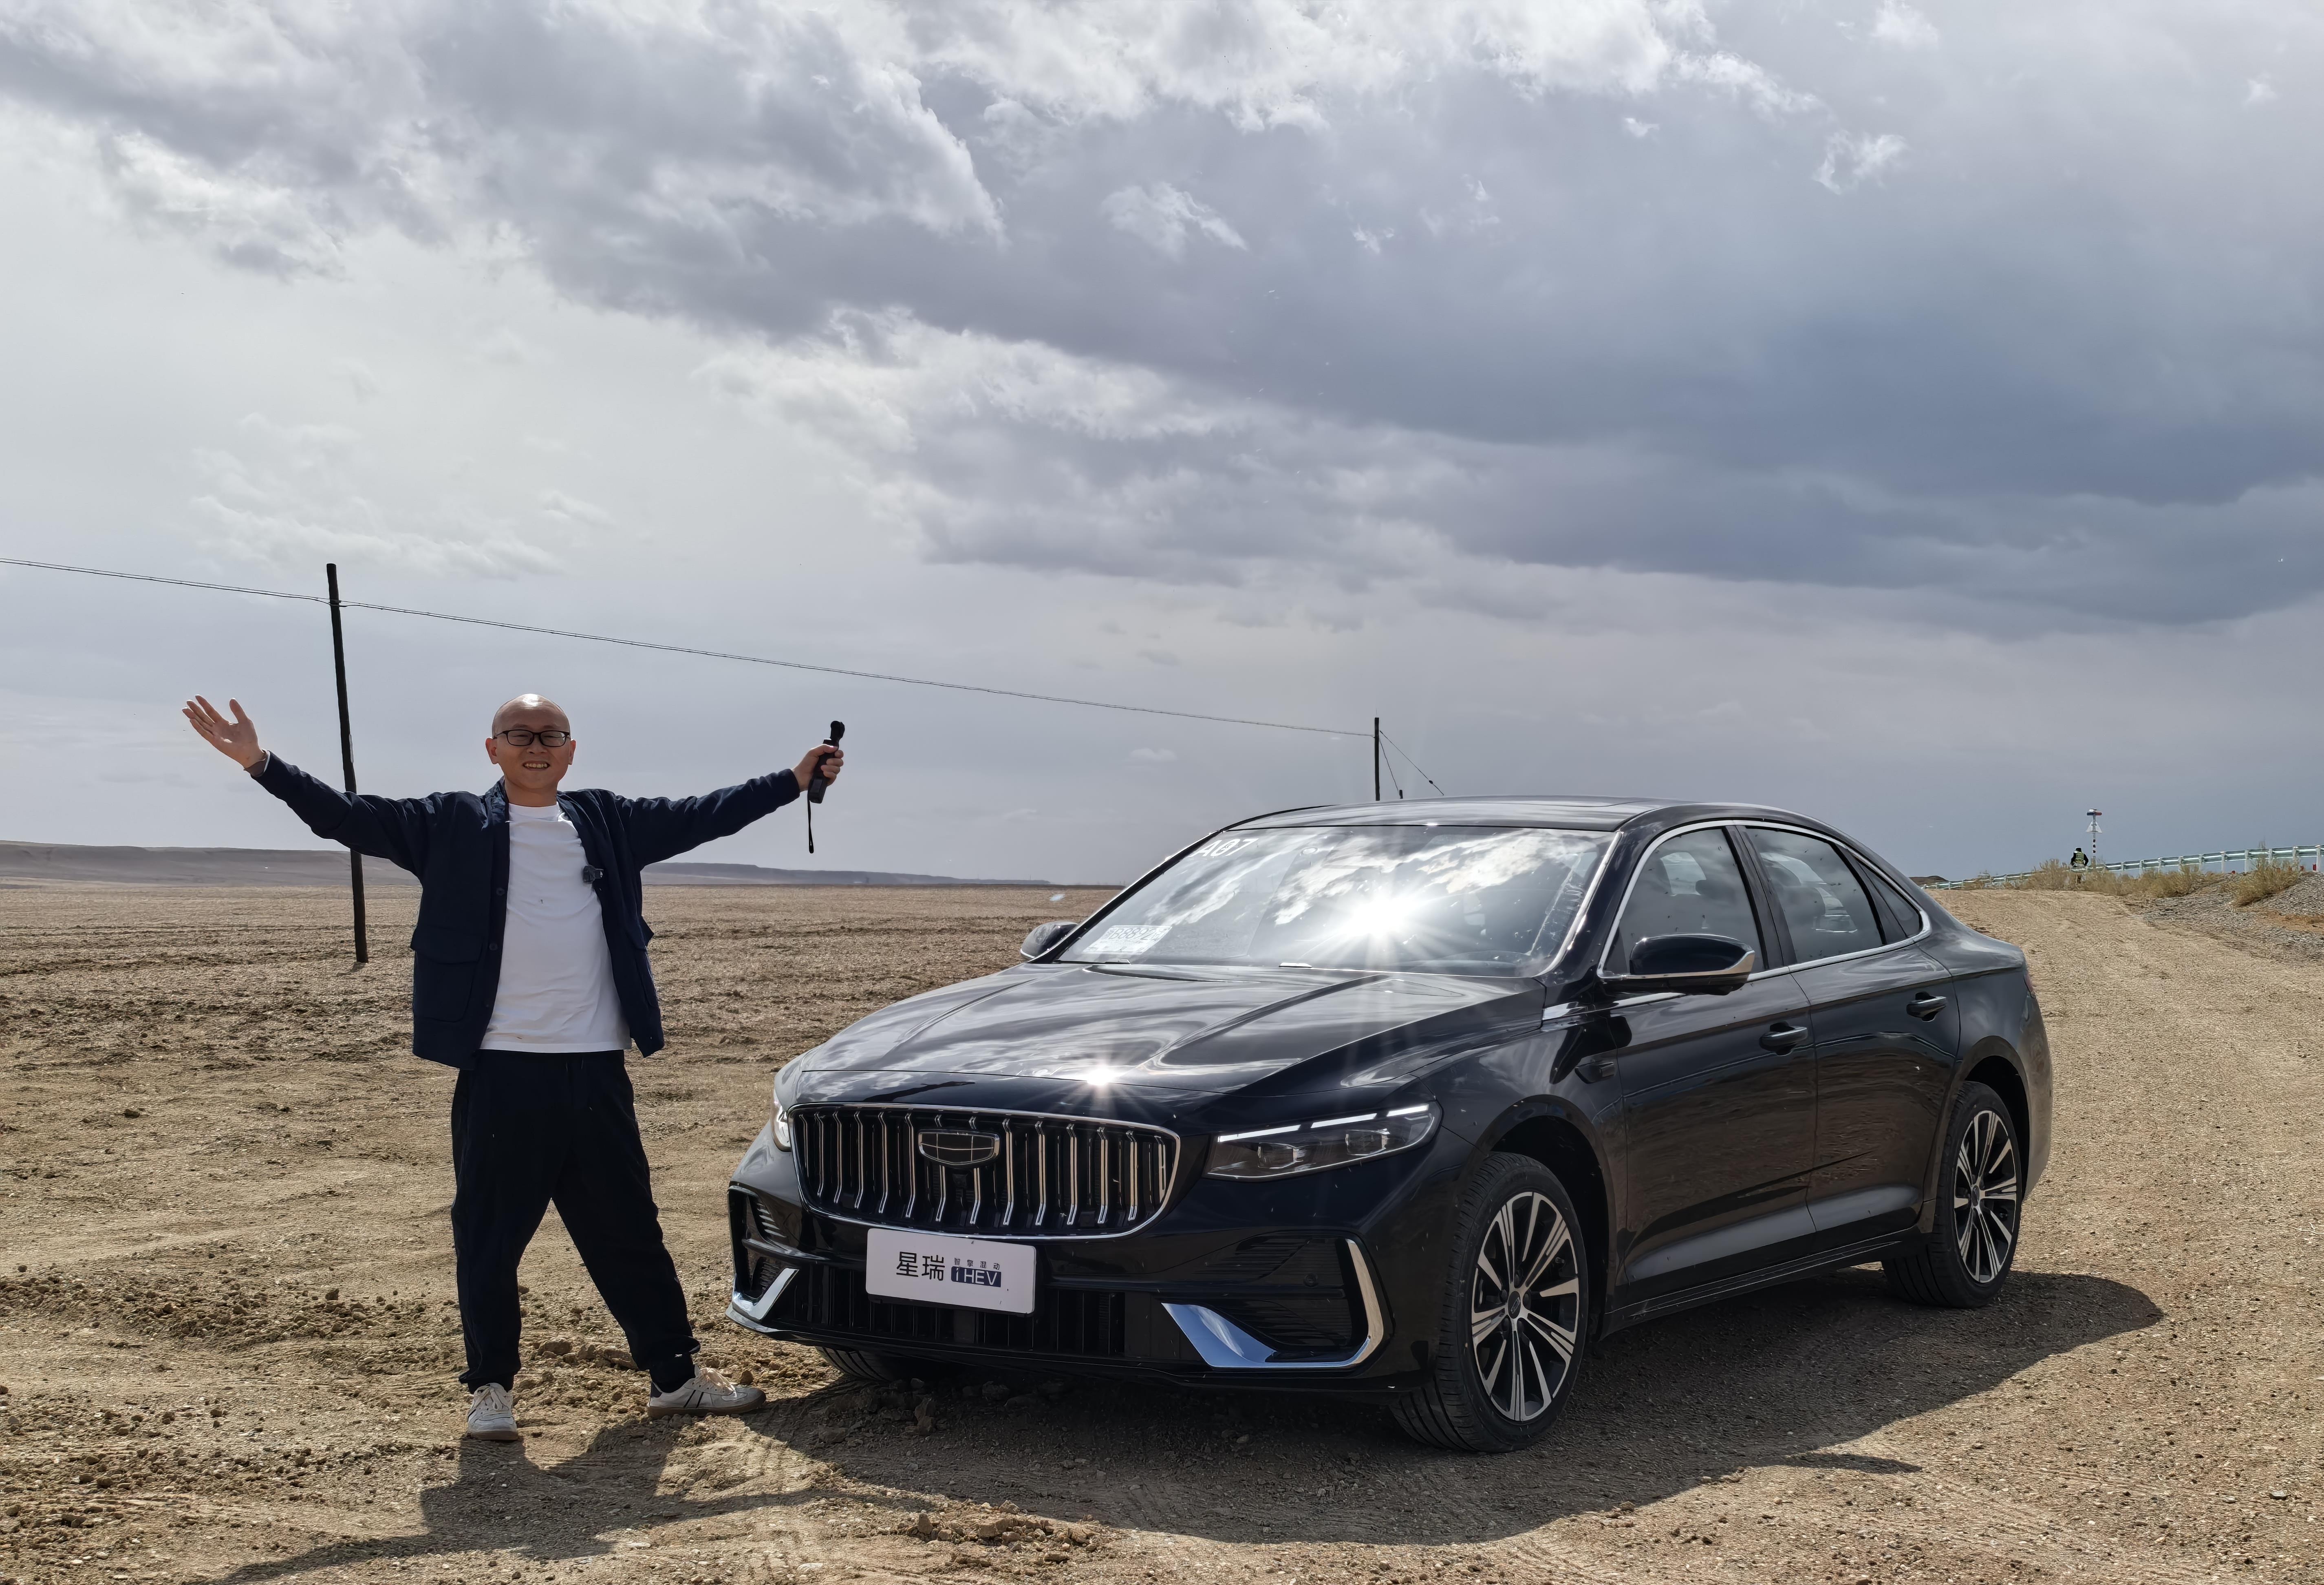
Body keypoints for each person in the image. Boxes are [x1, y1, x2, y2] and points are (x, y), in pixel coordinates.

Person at [182, 691, 842, 1442]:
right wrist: (261, 764)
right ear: (491, 748)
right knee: (489, 1239)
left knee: (629, 1231)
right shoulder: (450, 823)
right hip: (502, 1071)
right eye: (519, 734)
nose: (536, 746)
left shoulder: (607, 822)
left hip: (595, 1069)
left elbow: (705, 814)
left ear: (571, 750)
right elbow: (345, 817)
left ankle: (674, 1380)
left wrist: (793, 779)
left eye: (551, 735)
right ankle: (490, 1390)